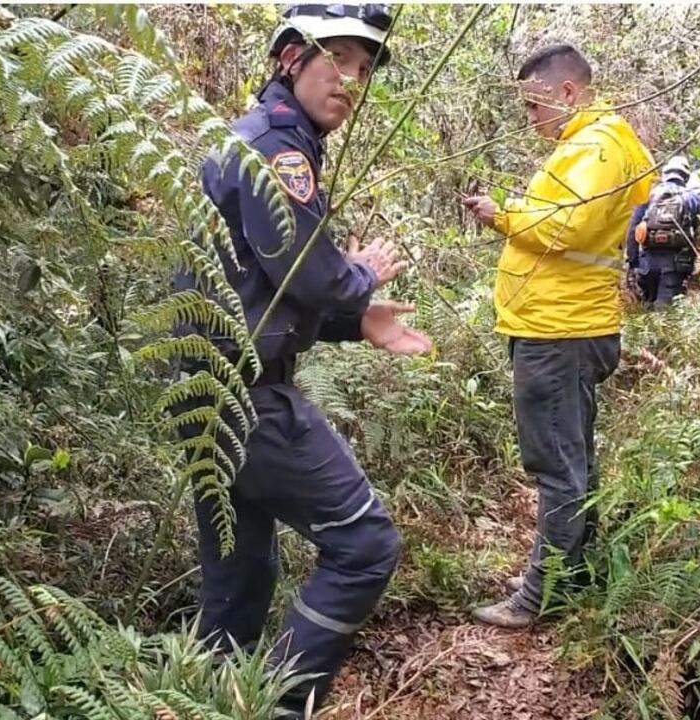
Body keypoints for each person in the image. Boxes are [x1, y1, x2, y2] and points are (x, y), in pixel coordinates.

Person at [173, 4, 431, 715]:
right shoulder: (278, 149)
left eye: (363, 69)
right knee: (366, 547)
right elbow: (308, 274)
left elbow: (259, 290)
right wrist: (362, 277)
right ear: (291, 59)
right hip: (251, 403)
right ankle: (282, 704)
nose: (351, 81)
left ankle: (207, 701)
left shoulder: (255, 136)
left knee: (240, 578)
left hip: (205, 393)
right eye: (338, 60)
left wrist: (357, 323)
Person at [461, 44, 655, 629]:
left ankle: (541, 595)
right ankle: (570, 573)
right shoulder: (591, 144)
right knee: (572, 456)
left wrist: (502, 215)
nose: (530, 119)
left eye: (532, 105)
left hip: (561, 329)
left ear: (568, 93)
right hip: (563, 325)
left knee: (556, 463)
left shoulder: (597, 146)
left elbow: (566, 224)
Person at [625, 155, 700, 307]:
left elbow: (633, 230)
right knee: (666, 313)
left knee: (648, 308)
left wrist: (633, 262)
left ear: (665, 174)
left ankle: (649, 330)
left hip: (646, 264)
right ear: (686, 177)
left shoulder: (647, 196)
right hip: (675, 265)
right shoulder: (692, 198)